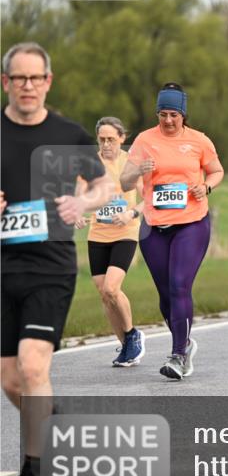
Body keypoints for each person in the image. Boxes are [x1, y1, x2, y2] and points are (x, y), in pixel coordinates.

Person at [2, 42, 114, 476]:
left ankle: (35, 472)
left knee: (33, 365)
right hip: (2, 267)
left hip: (50, 267)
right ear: (6, 82)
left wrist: (82, 201)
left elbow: (106, 185)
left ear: (48, 82)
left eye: (36, 78)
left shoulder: (68, 135)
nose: (27, 86)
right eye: (18, 78)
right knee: (11, 379)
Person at [120, 83, 224, 381]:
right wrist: (138, 171)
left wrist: (205, 186)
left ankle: (178, 354)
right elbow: (126, 182)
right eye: (163, 114)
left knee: (180, 285)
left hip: (192, 222)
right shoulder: (143, 140)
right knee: (165, 294)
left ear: (183, 115)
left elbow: (217, 171)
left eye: (174, 115)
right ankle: (186, 342)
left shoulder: (199, 140)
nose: (167, 121)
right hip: (154, 227)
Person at [76, 117, 146, 365]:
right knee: (104, 295)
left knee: (111, 288)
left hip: (126, 231)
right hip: (98, 234)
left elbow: (148, 198)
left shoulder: (131, 163)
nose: (106, 144)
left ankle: (132, 336)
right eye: (102, 139)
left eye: (111, 139)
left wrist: (131, 212)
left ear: (122, 139)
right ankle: (126, 346)